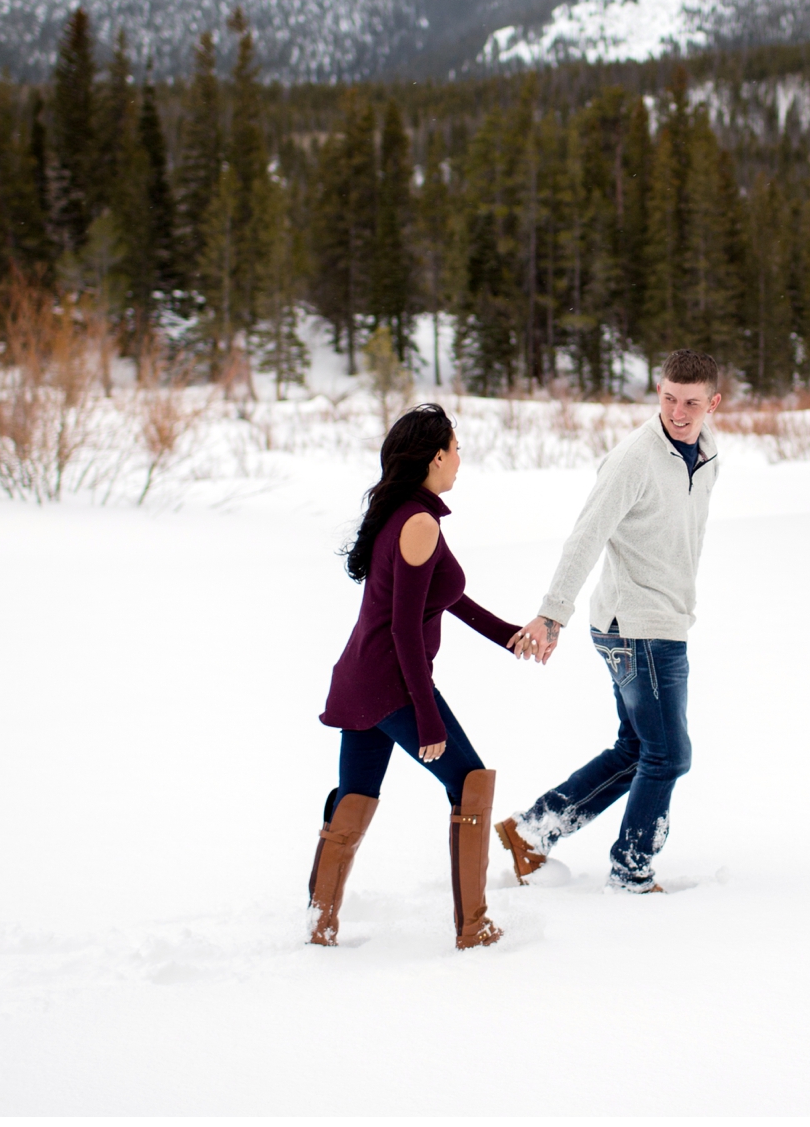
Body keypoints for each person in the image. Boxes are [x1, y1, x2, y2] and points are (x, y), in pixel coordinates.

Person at [309, 402, 542, 950]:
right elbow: (407, 633)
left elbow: (448, 594)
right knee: (470, 784)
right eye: (457, 449)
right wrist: (426, 714)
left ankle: (319, 925)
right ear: (435, 457)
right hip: (391, 685)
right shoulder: (417, 522)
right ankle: (474, 926)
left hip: (362, 680)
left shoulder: (411, 514)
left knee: (354, 797)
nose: (461, 459)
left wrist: (508, 634)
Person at [495, 349, 724, 894]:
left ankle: (533, 830)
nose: (678, 412)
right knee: (668, 755)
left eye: (691, 402)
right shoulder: (633, 460)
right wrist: (553, 614)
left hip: (663, 620)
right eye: (668, 398)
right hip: (637, 626)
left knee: (638, 750)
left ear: (713, 403)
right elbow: (587, 535)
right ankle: (631, 869)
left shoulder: (708, 452)